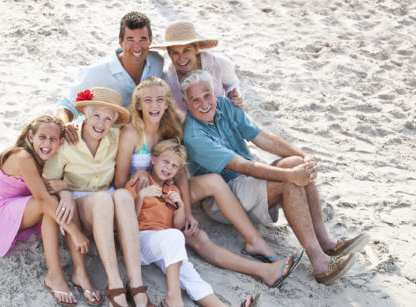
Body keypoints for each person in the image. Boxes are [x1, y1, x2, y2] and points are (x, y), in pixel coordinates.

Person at [181, 70, 369, 285]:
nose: (204, 103)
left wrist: (302, 156)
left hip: (246, 182)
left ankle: (326, 242)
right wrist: (289, 175)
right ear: (186, 102)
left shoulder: (224, 106)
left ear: (214, 92)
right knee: (288, 182)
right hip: (223, 197)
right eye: (195, 99)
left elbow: (263, 137)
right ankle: (320, 263)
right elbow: (242, 166)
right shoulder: (194, 135)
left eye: (207, 95)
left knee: (297, 166)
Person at [115, 76, 302, 288]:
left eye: (159, 99)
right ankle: (263, 270)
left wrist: (186, 212)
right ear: (138, 104)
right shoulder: (131, 132)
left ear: (167, 103)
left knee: (212, 184)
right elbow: (120, 183)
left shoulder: (170, 127)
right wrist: (140, 171)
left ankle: (256, 243)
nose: (154, 105)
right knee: (198, 238)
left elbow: (180, 174)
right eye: (147, 100)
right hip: (142, 199)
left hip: (168, 192)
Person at [44, 88, 158, 307]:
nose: (101, 123)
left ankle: (136, 282)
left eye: (108, 118)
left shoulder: (117, 137)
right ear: (85, 112)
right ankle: (115, 282)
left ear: (114, 121)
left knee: (124, 196)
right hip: (79, 210)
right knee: (105, 198)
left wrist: (139, 168)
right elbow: (47, 182)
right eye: (96, 115)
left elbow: (138, 151)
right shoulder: (67, 141)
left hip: (109, 208)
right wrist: (65, 191)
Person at [125, 139, 261, 307]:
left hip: (163, 243)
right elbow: (126, 220)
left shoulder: (172, 189)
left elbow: (177, 225)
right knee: (174, 238)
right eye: (165, 161)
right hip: (137, 242)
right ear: (154, 160)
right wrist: (141, 196)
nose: (169, 168)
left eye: (174, 166)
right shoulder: (139, 183)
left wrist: (180, 205)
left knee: (187, 271)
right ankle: (173, 298)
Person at [0, 115, 100, 307]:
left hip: (24, 204)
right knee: (49, 204)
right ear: (31, 136)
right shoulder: (23, 156)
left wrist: (65, 190)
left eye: (53, 139)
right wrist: (75, 232)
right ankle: (54, 276)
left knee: (56, 203)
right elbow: (42, 197)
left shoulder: (46, 156)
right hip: (2, 211)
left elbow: (50, 186)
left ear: (60, 142)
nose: (47, 143)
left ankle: (77, 273)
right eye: (42, 137)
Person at [55, 11, 164, 144]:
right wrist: (65, 125)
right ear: (120, 42)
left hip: (140, 139)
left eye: (143, 40)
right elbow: (66, 104)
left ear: (150, 41)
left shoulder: (157, 62)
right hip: (101, 141)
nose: (137, 47)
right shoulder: (96, 72)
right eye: (130, 40)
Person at [152, 21, 243, 117]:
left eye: (186, 50)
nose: (181, 58)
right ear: (169, 54)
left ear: (196, 49)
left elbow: (232, 83)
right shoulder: (166, 79)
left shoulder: (219, 63)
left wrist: (232, 95)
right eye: (175, 53)